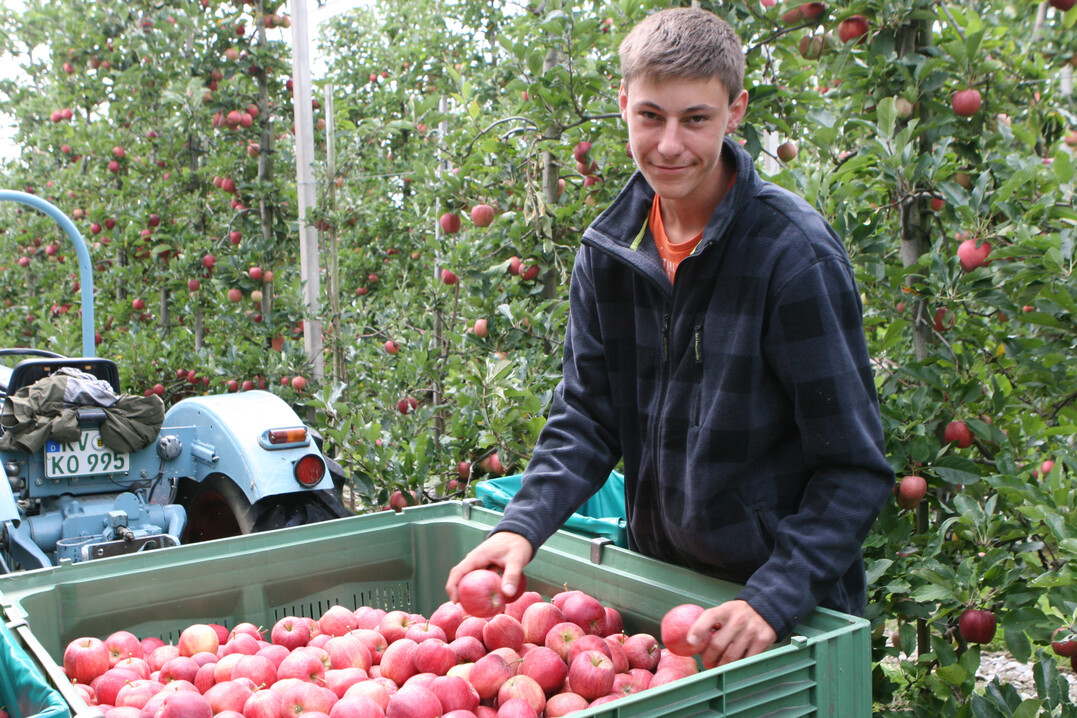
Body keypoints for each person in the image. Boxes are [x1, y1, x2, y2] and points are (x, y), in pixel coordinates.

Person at [445, 6, 894, 668]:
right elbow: (587, 416)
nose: (669, 144)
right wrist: (522, 524)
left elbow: (852, 468)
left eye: (696, 119)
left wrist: (772, 599)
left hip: (782, 608)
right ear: (623, 103)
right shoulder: (610, 250)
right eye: (650, 116)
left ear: (735, 111)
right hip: (669, 594)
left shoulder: (789, 257)